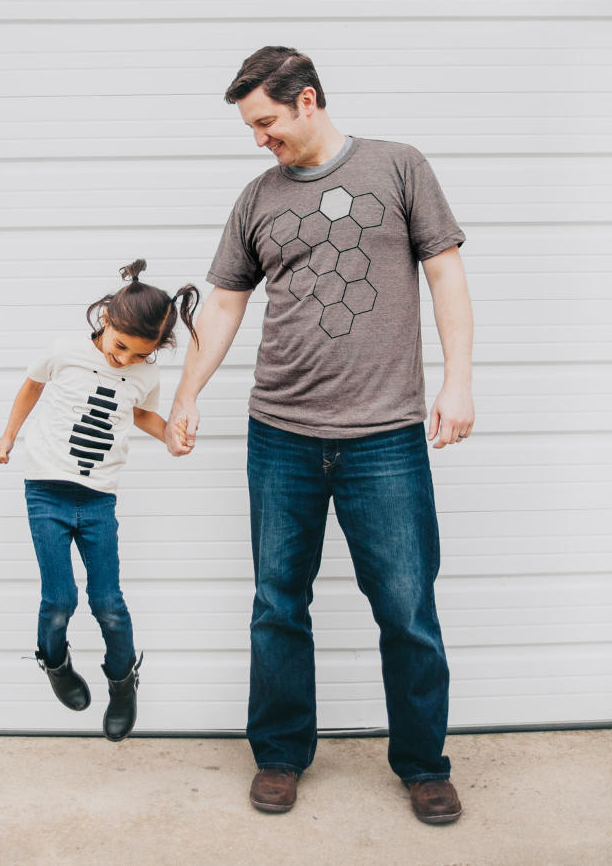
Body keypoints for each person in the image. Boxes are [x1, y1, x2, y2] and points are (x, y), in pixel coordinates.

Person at [165, 47, 474, 823]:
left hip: (385, 438)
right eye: (250, 126)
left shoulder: (400, 167)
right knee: (277, 603)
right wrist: (186, 393)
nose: (259, 138)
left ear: (306, 100)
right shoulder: (257, 197)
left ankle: (423, 763)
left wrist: (459, 379)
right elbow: (227, 304)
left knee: (407, 609)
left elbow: (445, 272)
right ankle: (278, 753)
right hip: (281, 434)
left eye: (265, 122)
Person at [0, 260, 199, 741]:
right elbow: (30, 389)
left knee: (108, 603)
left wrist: (170, 434)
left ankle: (122, 682)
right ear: (105, 317)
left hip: (99, 499)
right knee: (60, 599)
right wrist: (7, 437)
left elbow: (143, 414)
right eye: (120, 346)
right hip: (46, 492)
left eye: (138, 354)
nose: (124, 359)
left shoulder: (144, 372)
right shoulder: (63, 351)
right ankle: (55, 660)